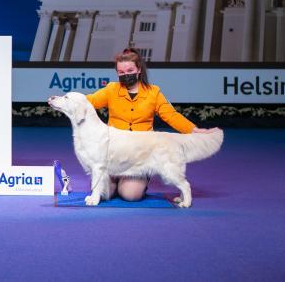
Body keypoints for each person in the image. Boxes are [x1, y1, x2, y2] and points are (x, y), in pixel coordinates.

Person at [85, 48, 217, 202]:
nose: (125, 74)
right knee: (104, 193)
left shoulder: (153, 92)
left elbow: (171, 115)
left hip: (140, 155)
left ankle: (139, 179)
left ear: (139, 69)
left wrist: (193, 130)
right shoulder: (111, 90)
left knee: (130, 195)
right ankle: (115, 179)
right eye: (121, 72)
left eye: (130, 70)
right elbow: (89, 101)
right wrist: (67, 100)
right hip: (114, 153)